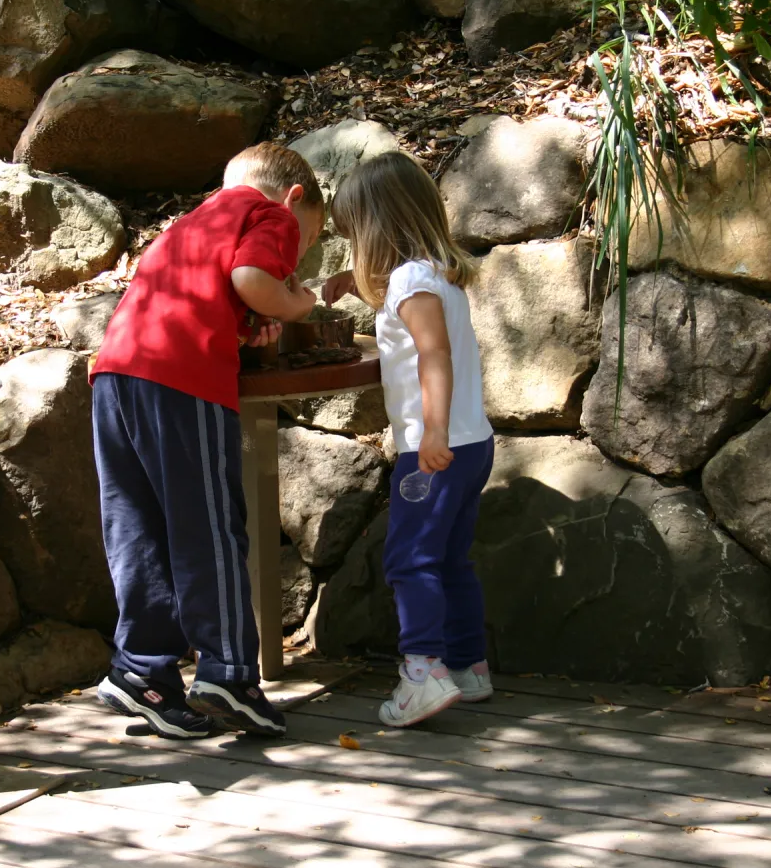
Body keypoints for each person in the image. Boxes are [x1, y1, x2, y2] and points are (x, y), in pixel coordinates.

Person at [89, 143, 323, 739]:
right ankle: (229, 673)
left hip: (116, 376)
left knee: (138, 526)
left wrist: (248, 322)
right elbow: (252, 278)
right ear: (294, 198)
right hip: (182, 382)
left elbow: (213, 292)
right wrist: (295, 303)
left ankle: (141, 671)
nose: (294, 259)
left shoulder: (192, 222)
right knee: (209, 526)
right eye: (306, 241)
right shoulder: (268, 212)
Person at [323, 151, 495, 728]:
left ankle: (423, 673)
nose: (354, 249)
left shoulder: (409, 282)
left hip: (436, 449)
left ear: (377, 229)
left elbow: (433, 354)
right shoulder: (432, 276)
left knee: (409, 560)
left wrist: (432, 432)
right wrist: (356, 286)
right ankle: (468, 666)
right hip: (471, 444)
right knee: (449, 559)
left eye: (354, 237)